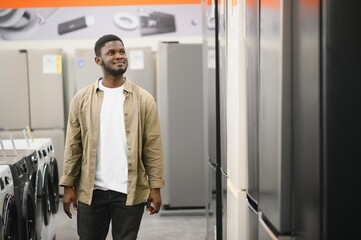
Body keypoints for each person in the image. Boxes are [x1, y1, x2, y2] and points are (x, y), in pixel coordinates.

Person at [59, 34, 165, 240]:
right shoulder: (81, 99)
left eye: (122, 51)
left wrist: (156, 186)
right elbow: (73, 145)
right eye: (111, 52)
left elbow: (152, 146)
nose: (119, 56)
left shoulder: (144, 99)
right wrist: (68, 185)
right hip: (92, 191)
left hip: (130, 190)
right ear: (98, 60)